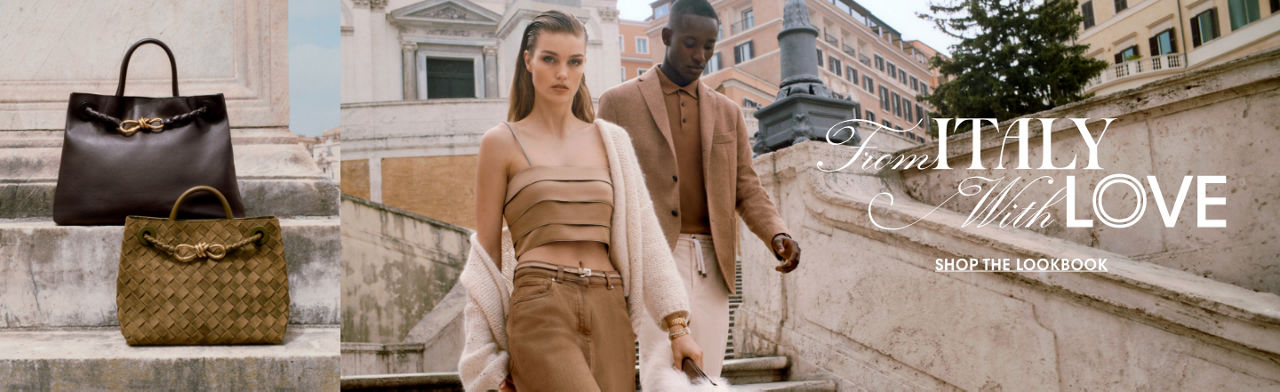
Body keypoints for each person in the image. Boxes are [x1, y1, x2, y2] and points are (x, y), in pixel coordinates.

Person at [457, 10, 703, 392]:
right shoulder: (500, 143)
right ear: (528, 61)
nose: (562, 73)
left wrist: (677, 326)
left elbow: (646, 236)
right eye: (549, 59)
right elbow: (484, 262)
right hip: (541, 306)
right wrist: (484, 360)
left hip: (610, 307)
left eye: (574, 62)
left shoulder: (612, 141)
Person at [597, 0, 802, 385]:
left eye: (709, 45)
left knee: (705, 376)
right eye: (690, 43)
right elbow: (601, 184)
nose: (700, 55)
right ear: (667, 37)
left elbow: (747, 185)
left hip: (714, 260)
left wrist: (777, 232)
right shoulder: (618, 103)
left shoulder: (727, 112)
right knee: (663, 373)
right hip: (651, 256)